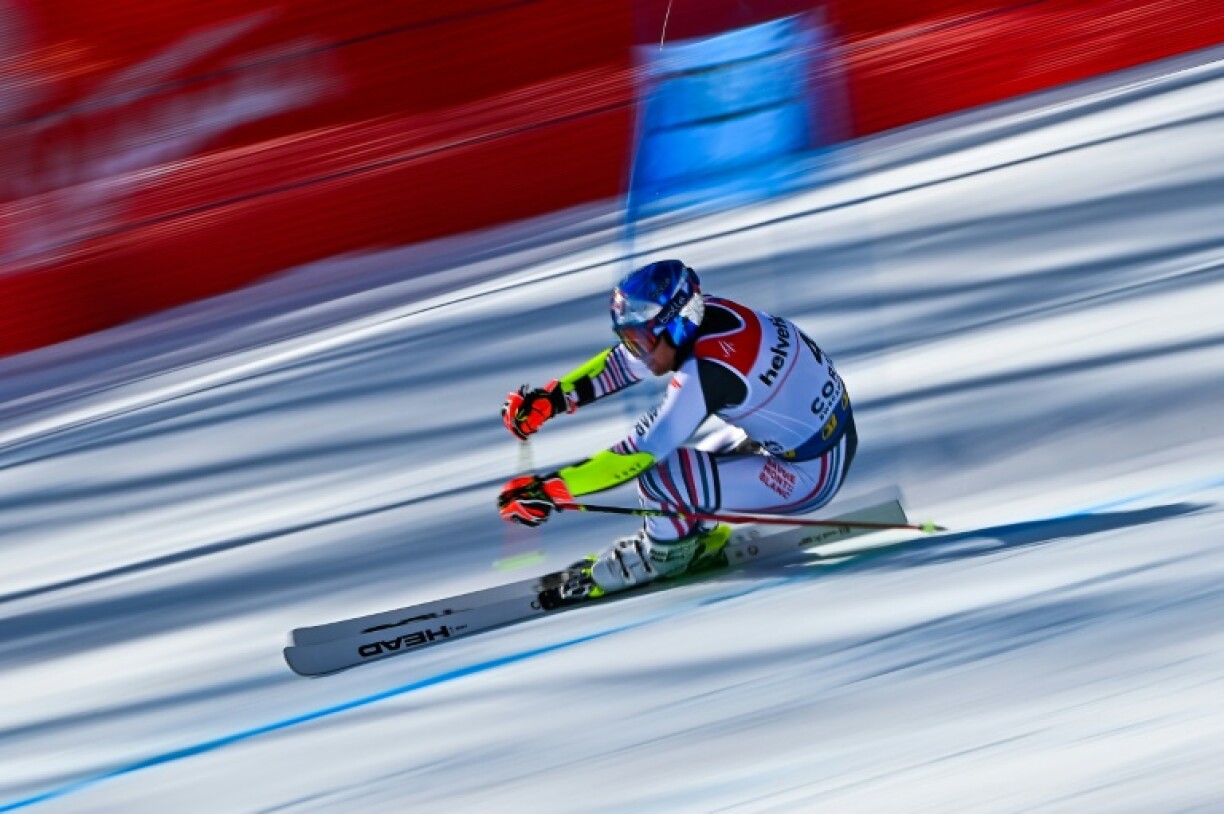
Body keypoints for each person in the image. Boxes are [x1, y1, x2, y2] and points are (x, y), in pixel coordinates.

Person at [497, 259, 857, 602]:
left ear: (678, 323)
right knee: (686, 465)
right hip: (815, 441)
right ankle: (693, 532)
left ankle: (664, 557)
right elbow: (623, 366)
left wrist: (551, 491)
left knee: (661, 478)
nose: (635, 352)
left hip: (810, 473)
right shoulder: (707, 315)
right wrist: (552, 398)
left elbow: (639, 452)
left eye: (641, 341)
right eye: (628, 340)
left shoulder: (707, 369)